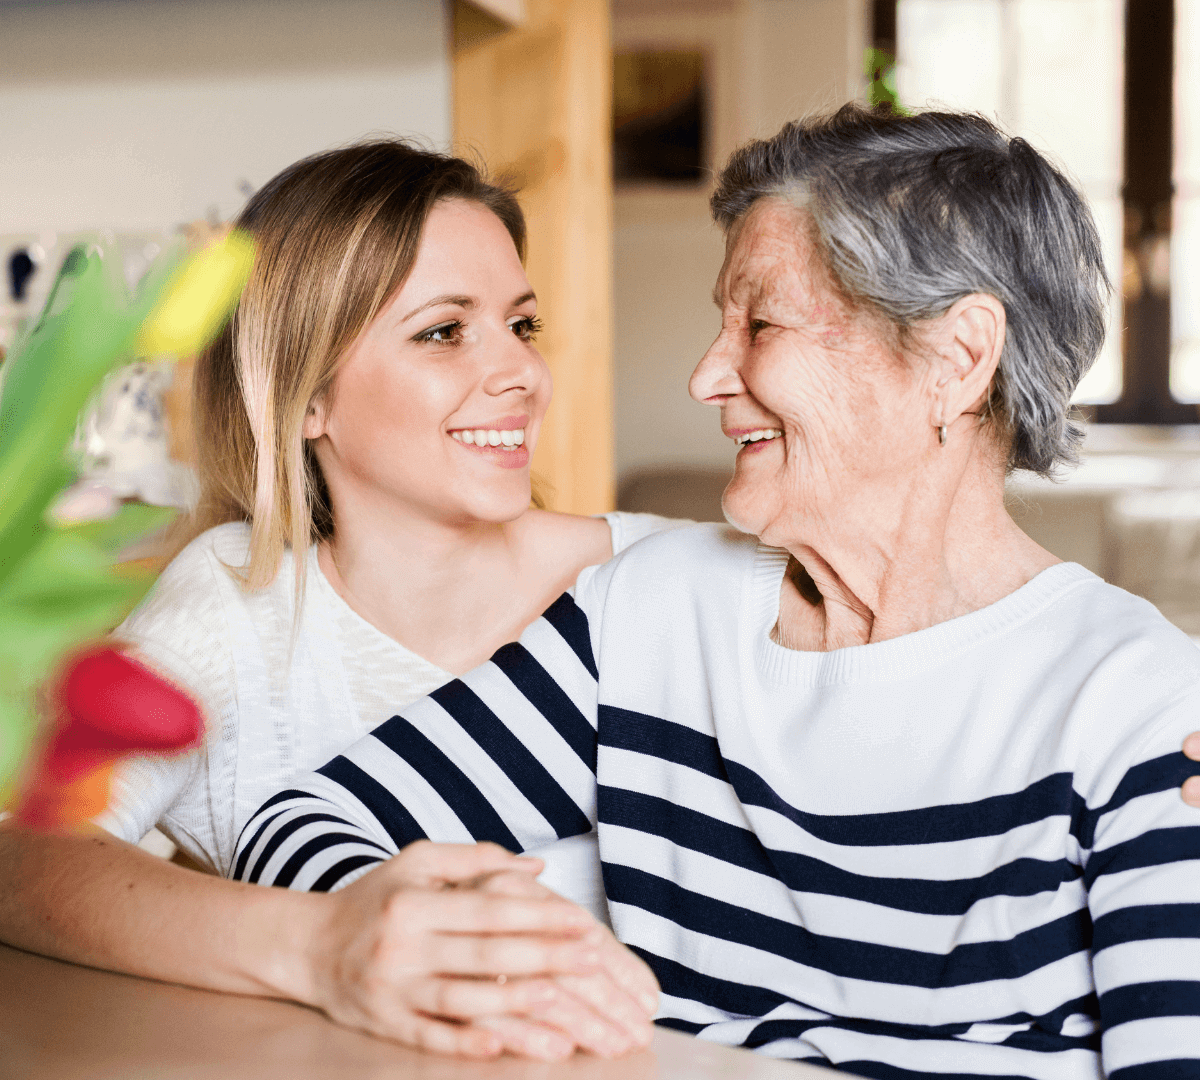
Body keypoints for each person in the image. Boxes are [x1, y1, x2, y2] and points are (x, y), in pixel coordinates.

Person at [233, 106, 1200, 1078]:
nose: (706, 375)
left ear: (955, 360)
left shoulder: (1137, 709)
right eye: (720, 322)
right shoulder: (653, 613)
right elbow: (300, 825)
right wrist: (455, 953)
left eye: (762, 322)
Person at [0, 141, 669, 1062]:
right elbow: (21, 858)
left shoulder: (659, 582)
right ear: (306, 395)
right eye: (445, 331)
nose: (519, 373)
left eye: (522, 325)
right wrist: (322, 947)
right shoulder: (237, 604)